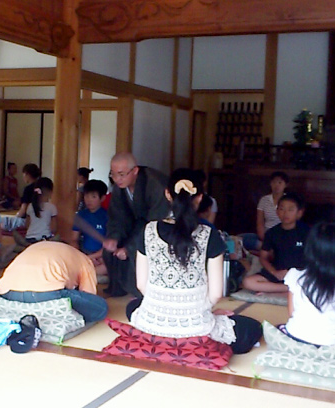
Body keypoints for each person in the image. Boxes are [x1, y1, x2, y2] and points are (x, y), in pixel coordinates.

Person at [127, 168, 261, 354]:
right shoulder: (209, 234)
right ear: (199, 198)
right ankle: (193, 340)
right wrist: (204, 310)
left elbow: (142, 285)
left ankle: (161, 335)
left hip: (154, 322)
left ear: (167, 194)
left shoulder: (148, 230)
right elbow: (216, 294)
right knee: (252, 327)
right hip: (196, 326)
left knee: (133, 306)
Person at [281, 222, 335, 346]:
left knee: (281, 328)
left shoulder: (295, 276)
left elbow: (292, 312)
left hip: (296, 337)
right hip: (333, 344)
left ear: (309, 249)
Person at [103, 152, 170, 297]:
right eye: (113, 175)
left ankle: (140, 293)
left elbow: (155, 224)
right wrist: (114, 238)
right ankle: (117, 289)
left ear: (135, 171)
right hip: (136, 225)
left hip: (160, 227)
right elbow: (117, 217)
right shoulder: (119, 187)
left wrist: (129, 248)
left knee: (137, 251)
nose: (117, 179)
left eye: (121, 174)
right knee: (110, 251)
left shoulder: (156, 184)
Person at [0, 241, 109, 323]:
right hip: (44, 295)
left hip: (8, 294)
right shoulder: (86, 261)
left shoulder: (43, 245)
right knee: (102, 307)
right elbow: (87, 295)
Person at [243, 192, 309, 294]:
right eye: (282, 209)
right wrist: (274, 272)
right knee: (248, 282)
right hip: (278, 273)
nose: (285, 213)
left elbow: (314, 260)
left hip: (300, 275)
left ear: (299, 213)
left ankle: (278, 288)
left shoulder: (307, 232)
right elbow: (263, 257)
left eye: (290, 210)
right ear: (277, 211)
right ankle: (287, 289)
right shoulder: (272, 232)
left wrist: (294, 274)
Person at [72, 179, 108, 277]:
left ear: (102, 198)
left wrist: (91, 257)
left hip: (100, 255)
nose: (88, 200)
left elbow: (108, 245)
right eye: (86, 196)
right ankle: (89, 274)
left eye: (93, 196)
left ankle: (84, 274)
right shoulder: (80, 215)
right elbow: (74, 239)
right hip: (84, 253)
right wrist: (82, 256)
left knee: (108, 266)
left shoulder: (107, 216)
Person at [13, 177, 57, 248]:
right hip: (44, 239)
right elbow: (54, 229)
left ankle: (26, 245)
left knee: (15, 234)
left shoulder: (30, 206)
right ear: (50, 192)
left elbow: (27, 225)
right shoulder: (51, 207)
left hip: (29, 238)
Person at [256, 171, 289, 242]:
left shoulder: (289, 200)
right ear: (270, 184)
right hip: (267, 233)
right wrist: (264, 238)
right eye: (274, 182)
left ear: (285, 185)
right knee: (243, 237)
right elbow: (260, 222)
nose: (277, 185)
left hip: (283, 234)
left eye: (280, 183)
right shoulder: (264, 200)